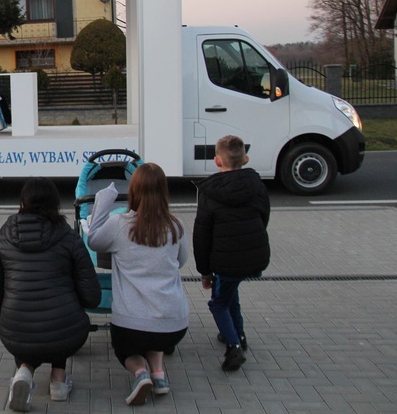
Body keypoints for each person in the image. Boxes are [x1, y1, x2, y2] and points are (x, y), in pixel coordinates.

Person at [0, 177, 101, 412]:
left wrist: (10, 313)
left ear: (22, 203)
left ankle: (24, 372)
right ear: (55, 204)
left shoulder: (1, 237)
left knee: (32, 332)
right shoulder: (69, 237)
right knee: (59, 325)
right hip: (66, 330)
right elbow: (92, 295)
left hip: (15, 331)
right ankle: (58, 381)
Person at [87, 163, 190, 406]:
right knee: (155, 334)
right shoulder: (176, 226)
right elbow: (181, 261)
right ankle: (159, 374)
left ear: (134, 190)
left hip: (131, 325)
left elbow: (93, 240)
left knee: (126, 350)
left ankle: (139, 371)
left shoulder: (120, 225)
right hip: (174, 326)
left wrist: (104, 200)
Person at [193, 135, 270, 372]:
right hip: (254, 255)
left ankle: (234, 346)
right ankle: (239, 334)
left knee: (218, 303)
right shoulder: (257, 185)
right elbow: (263, 216)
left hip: (224, 259)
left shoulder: (209, 191)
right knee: (229, 292)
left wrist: (205, 271)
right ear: (245, 159)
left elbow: (202, 234)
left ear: (217, 161)